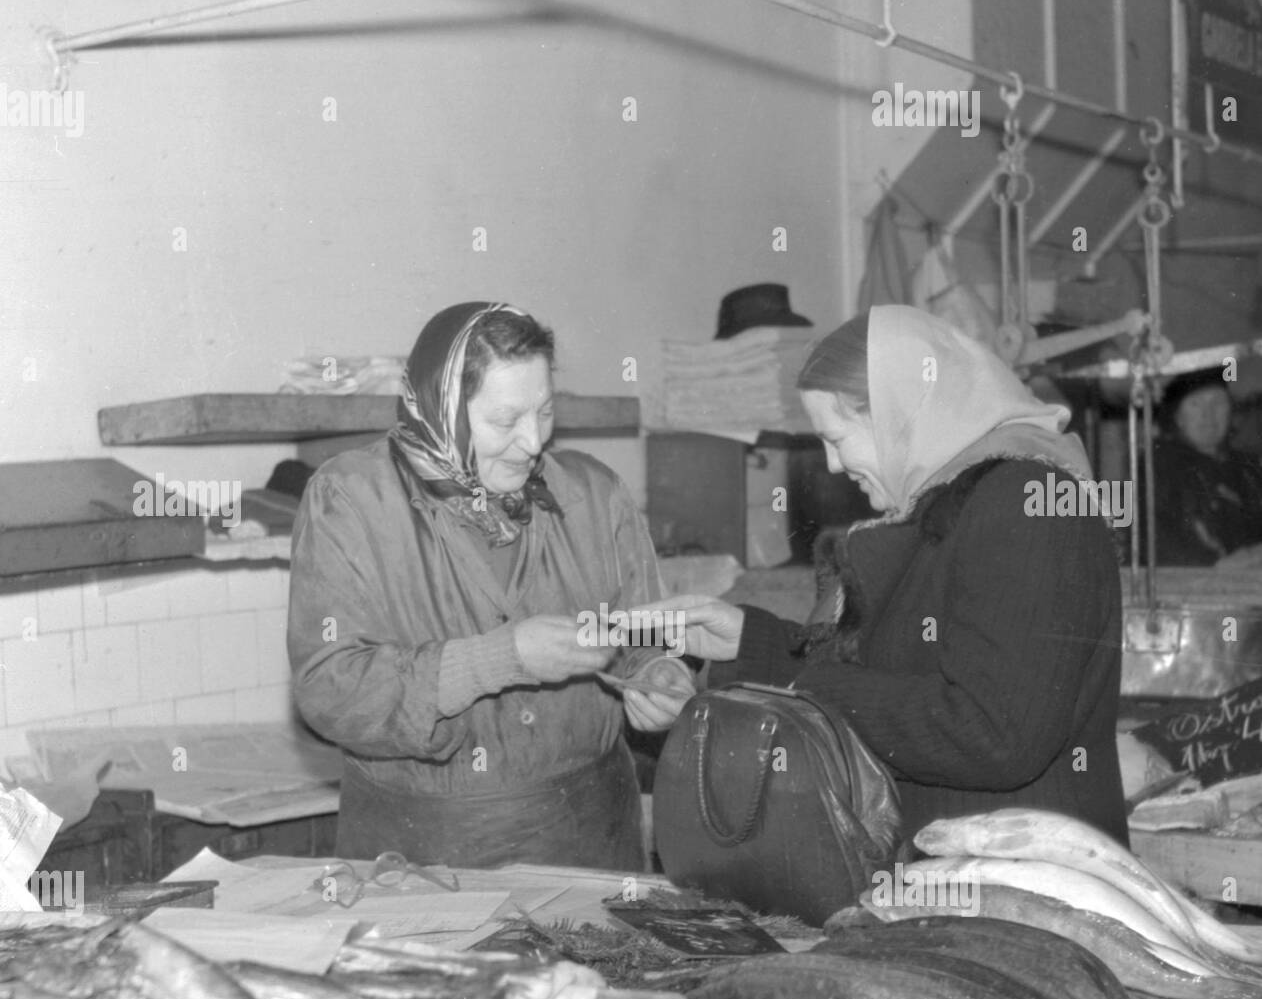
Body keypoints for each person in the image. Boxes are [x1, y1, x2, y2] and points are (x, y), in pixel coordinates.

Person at [662, 303, 1129, 845]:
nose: (833, 465)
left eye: (837, 438)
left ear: (898, 415)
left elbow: (995, 735)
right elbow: (899, 671)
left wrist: (803, 689)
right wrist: (751, 645)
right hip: (962, 871)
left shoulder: (1028, 504)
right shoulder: (955, 496)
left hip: (1023, 883)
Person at [288, 301, 693, 871]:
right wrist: (500, 658)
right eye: (505, 422)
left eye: (545, 412)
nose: (533, 443)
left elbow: (649, 635)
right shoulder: (351, 501)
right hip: (423, 854)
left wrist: (661, 677)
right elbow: (329, 690)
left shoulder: (596, 495)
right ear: (442, 410)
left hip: (591, 841)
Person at [1150, 368, 1262, 565]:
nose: (1208, 414)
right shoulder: (1160, 468)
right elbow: (1161, 538)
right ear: (1178, 417)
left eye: (1218, 402)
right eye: (1195, 404)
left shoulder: (1248, 469)